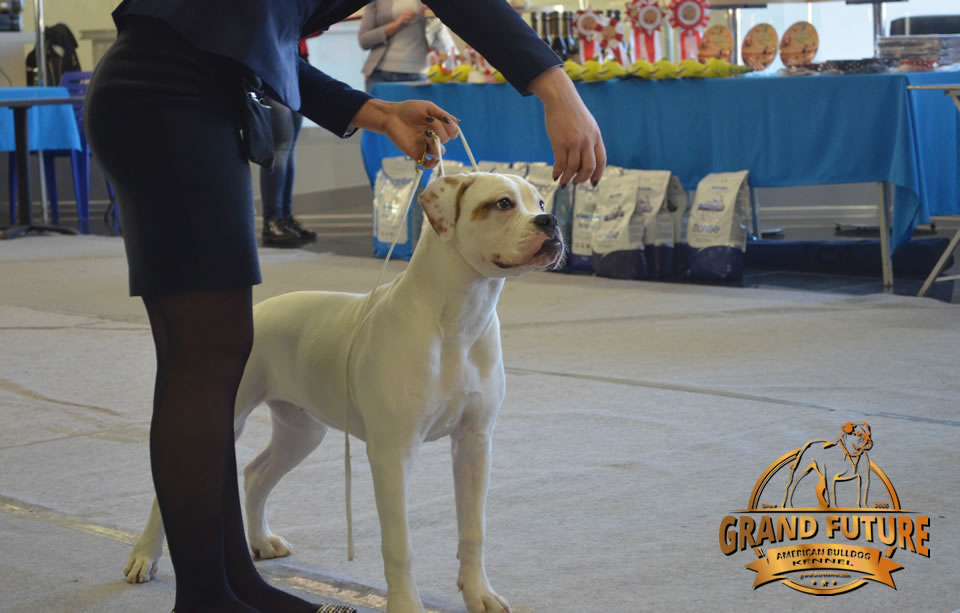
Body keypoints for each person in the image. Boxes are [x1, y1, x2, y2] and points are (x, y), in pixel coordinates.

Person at [84, 1, 604, 612]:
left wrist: (378, 113)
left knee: (214, 352)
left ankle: (234, 582)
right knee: (206, 357)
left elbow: (253, 46)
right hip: (168, 96)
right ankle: (208, 599)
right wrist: (555, 86)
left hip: (197, 89)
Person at [261, 36, 320, 246]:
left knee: (290, 144)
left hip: (297, 59)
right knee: (281, 143)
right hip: (273, 58)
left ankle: (284, 217)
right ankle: (272, 220)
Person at [358, 0, 455, 93]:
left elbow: (445, 45)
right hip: (380, 76)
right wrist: (396, 24)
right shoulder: (377, 2)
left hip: (420, 77)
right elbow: (364, 40)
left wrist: (434, 18)